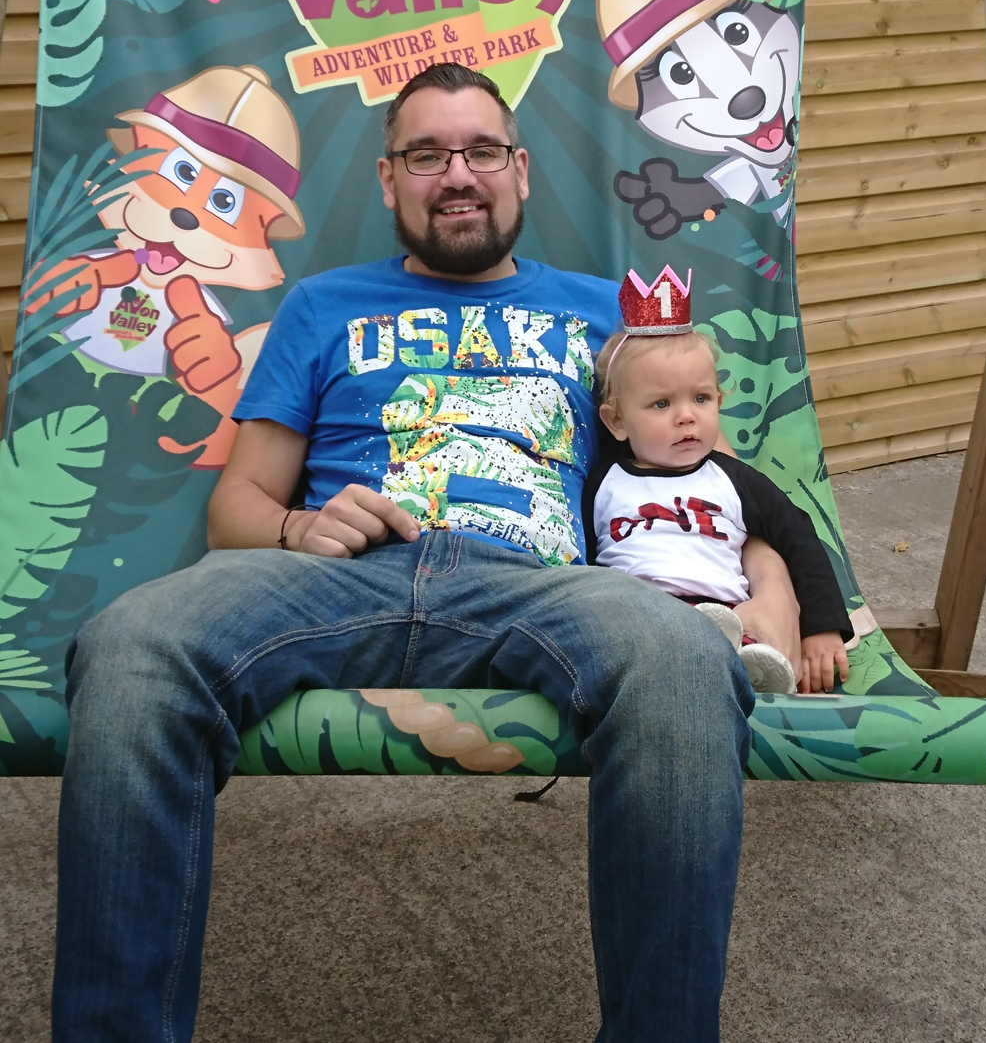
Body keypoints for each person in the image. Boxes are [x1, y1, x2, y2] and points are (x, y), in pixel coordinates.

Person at [55, 63, 778, 1043]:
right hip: (331, 577)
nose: (457, 173)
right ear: (390, 181)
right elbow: (238, 504)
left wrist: (771, 605)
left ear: (520, 170)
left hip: (543, 586)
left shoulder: (611, 312)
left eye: (481, 150)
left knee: (685, 663)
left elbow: (729, 486)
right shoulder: (320, 306)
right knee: (132, 643)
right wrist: (295, 529)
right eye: (426, 154)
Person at [588, 303, 853, 695]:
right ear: (617, 421)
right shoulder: (602, 484)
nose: (686, 416)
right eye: (662, 404)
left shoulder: (732, 480)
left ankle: (751, 668)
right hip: (637, 611)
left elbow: (798, 536)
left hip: (725, 611)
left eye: (701, 399)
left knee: (733, 632)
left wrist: (822, 626)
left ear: (719, 401)